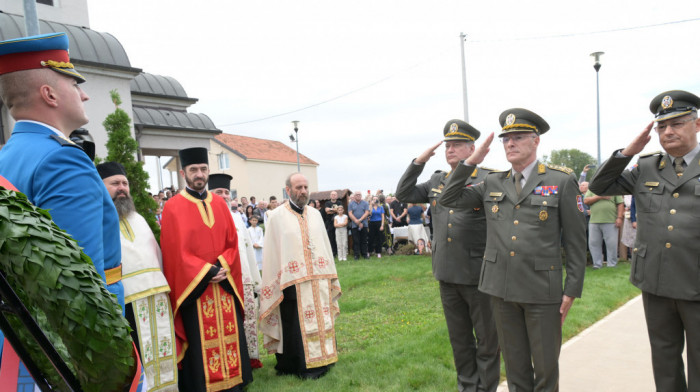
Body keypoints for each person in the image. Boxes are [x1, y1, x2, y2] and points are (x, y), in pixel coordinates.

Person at [0, 31, 140, 391]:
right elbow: (80, 291)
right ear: (49, 94)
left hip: (20, 351)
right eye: (74, 82)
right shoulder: (63, 161)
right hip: (71, 361)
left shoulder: (6, 157)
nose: (84, 93)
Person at [440, 109, 587, 392]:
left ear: (536, 141)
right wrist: (471, 161)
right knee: (516, 369)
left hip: (541, 290)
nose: (510, 144)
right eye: (506, 139)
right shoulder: (493, 182)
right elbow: (449, 198)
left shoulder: (560, 181)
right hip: (500, 289)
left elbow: (576, 241)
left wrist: (571, 289)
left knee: (545, 371)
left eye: (518, 138)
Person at [589, 90, 700, 391]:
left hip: (696, 281)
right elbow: (599, 185)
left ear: (697, 124)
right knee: (664, 362)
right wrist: (627, 152)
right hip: (657, 281)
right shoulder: (648, 166)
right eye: (662, 126)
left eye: (677, 123)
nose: (668, 131)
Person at [395, 119, 500, 392]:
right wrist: (419, 161)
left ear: (472, 149)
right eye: (447, 145)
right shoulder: (437, 179)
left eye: (456, 145)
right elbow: (403, 193)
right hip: (446, 272)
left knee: (488, 340)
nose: (450, 149)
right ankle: (467, 386)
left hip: (479, 273)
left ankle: (486, 387)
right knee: (460, 339)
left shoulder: (489, 179)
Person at [160, 147, 251, 391]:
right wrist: (206, 271)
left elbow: (232, 242)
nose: (199, 174)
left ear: (208, 171)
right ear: (183, 173)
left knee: (230, 333)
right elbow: (174, 253)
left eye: (202, 169)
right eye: (193, 170)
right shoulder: (172, 207)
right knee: (200, 339)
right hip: (195, 289)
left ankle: (233, 382)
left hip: (224, 283)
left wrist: (223, 266)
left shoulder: (220, 204)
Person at [98, 162, 178, 391]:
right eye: (115, 183)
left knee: (162, 352)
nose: (122, 188)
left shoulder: (139, 218)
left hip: (156, 298)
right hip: (127, 300)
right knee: (137, 358)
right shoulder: (97, 218)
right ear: (101, 187)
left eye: (124, 183)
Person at [259, 173, 341, 378]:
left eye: (305, 187)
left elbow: (324, 245)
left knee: (322, 317)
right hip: (292, 282)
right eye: (298, 187)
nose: (303, 191)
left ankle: (325, 358)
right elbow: (272, 252)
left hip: (319, 277)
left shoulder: (315, 214)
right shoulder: (275, 216)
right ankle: (296, 364)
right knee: (294, 323)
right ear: (288, 190)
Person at [208, 173, 264, 369]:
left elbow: (247, 248)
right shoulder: (207, 217)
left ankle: (250, 358)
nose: (223, 196)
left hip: (245, 277)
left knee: (248, 319)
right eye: (218, 192)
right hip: (223, 279)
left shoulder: (238, 218)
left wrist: (256, 281)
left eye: (226, 192)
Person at [583, 189, 624, 268]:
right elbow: (586, 200)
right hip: (594, 221)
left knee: (611, 244)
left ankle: (612, 264)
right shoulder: (593, 188)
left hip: (610, 220)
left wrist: (619, 217)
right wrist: (599, 197)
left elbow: (620, 204)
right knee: (594, 243)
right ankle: (597, 264)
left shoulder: (613, 188)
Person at [348, 191, 371, 260]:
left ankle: (364, 254)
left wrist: (360, 220)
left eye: (359, 194)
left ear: (361, 196)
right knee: (356, 241)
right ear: (354, 196)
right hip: (354, 225)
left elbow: (367, 212)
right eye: (357, 195)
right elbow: (350, 213)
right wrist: (356, 221)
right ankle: (356, 255)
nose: (358, 196)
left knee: (364, 240)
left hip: (364, 224)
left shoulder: (365, 203)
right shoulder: (351, 204)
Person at [324, 191, 343, 257]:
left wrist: (331, 210)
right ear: (330, 196)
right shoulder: (327, 203)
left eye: (335, 195)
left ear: (337, 196)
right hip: (330, 223)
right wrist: (335, 209)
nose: (333, 196)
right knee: (331, 238)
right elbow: (327, 211)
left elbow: (340, 211)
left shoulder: (339, 202)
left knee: (338, 238)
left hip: (339, 222)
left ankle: (339, 253)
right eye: (332, 195)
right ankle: (333, 253)